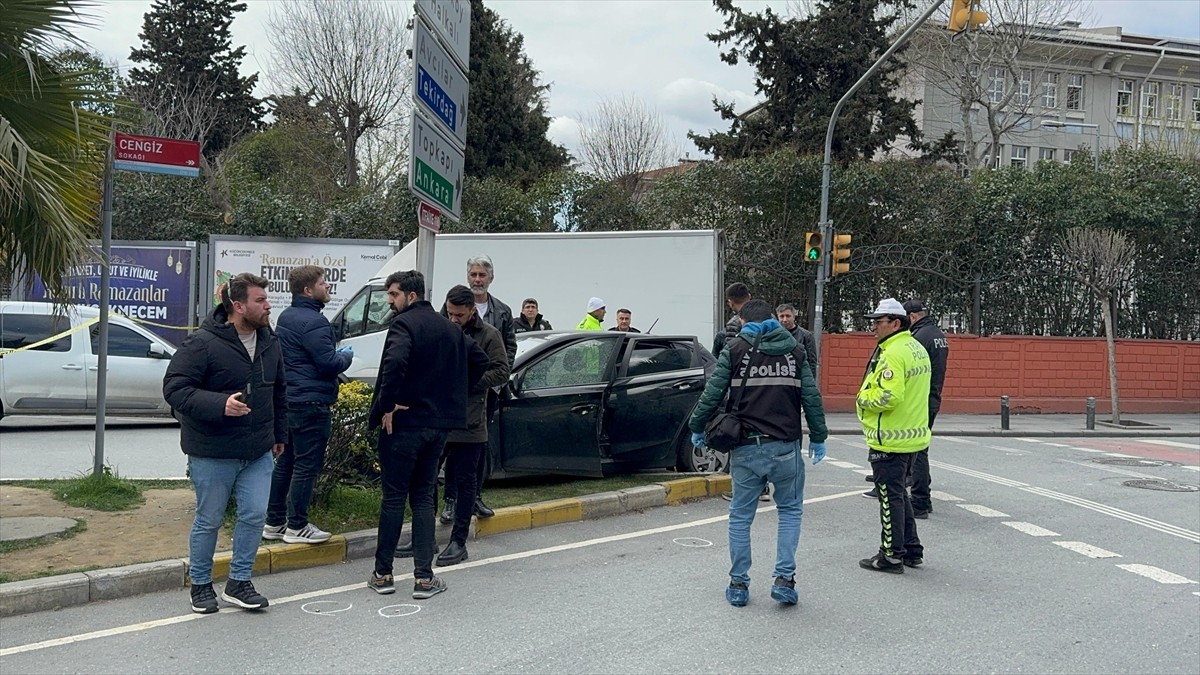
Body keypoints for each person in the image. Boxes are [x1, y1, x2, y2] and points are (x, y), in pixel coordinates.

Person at [687, 299, 828, 607]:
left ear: (745, 320)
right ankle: (784, 580)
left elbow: (712, 393)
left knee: (740, 516)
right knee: (789, 511)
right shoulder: (796, 351)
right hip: (785, 448)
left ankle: (738, 585)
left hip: (746, 447)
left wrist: (697, 426)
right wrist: (818, 436)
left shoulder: (735, 350)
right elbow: (811, 397)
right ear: (775, 320)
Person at [163, 273, 286, 614]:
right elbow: (175, 388)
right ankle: (201, 586)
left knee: (254, 515)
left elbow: (279, 391)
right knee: (210, 519)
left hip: (258, 450)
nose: (268, 306)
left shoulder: (269, 341)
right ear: (238, 306)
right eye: (260, 301)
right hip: (213, 451)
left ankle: (239, 582)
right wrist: (220, 404)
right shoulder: (202, 344)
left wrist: (279, 435)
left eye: (266, 299)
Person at [367, 271, 488, 599]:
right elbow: (480, 360)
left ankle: (383, 574)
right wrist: (450, 394)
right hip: (437, 427)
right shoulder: (449, 328)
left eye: (393, 294)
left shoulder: (404, 325)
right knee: (422, 498)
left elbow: (394, 364)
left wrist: (388, 405)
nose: (390, 301)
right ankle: (423, 578)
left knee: (393, 498)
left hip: (403, 425)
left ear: (411, 294)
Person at [263, 265, 353, 545]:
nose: (328, 287)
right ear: (308, 290)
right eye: (323, 283)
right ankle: (298, 526)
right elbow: (327, 364)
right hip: (311, 402)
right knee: (306, 466)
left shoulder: (288, 316)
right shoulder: (314, 322)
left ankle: (274, 521)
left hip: (290, 401)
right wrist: (346, 357)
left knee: (286, 462)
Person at [435, 285, 511, 566]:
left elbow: (501, 370)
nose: (453, 318)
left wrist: (469, 383)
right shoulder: (441, 327)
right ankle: (426, 536)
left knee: (466, 482)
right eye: (450, 313)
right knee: (428, 476)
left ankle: (458, 541)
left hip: (471, 418)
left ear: (471, 311)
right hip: (439, 417)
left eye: (459, 314)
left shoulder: (489, 335)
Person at [856, 298, 931, 574]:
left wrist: (863, 398)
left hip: (890, 437)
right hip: (911, 435)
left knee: (889, 498)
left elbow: (890, 395)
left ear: (895, 323)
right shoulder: (916, 348)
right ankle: (912, 549)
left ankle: (891, 555)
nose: (874, 327)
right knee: (900, 494)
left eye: (879, 322)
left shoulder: (893, 353)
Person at [904, 299, 949, 519]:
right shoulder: (938, 334)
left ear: (912, 316)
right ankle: (922, 495)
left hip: (921, 400)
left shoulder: (918, 338)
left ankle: (921, 501)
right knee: (921, 447)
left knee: (918, 449)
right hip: (933, 397)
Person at [466, 255, 517, 365]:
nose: (477, 280)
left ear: (491, 278)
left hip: (493, 379)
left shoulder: (503, 312)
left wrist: (501, 374)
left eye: (482, 275)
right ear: (468, 277)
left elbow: (510, 348)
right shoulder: (453, 308)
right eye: (473, 275)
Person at [775, 303, 818, 378]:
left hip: (799, 378)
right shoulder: (774, 335)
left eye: (788, 316)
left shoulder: (806, 336)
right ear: (778, 317)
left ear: (794, 317)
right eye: (782, 316)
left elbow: (812, 363)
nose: (785, 319)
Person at [712, 282, 751, 357]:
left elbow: (731, 354)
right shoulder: (769, 317)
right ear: (749, 296)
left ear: (730, 302)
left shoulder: (733, 324)